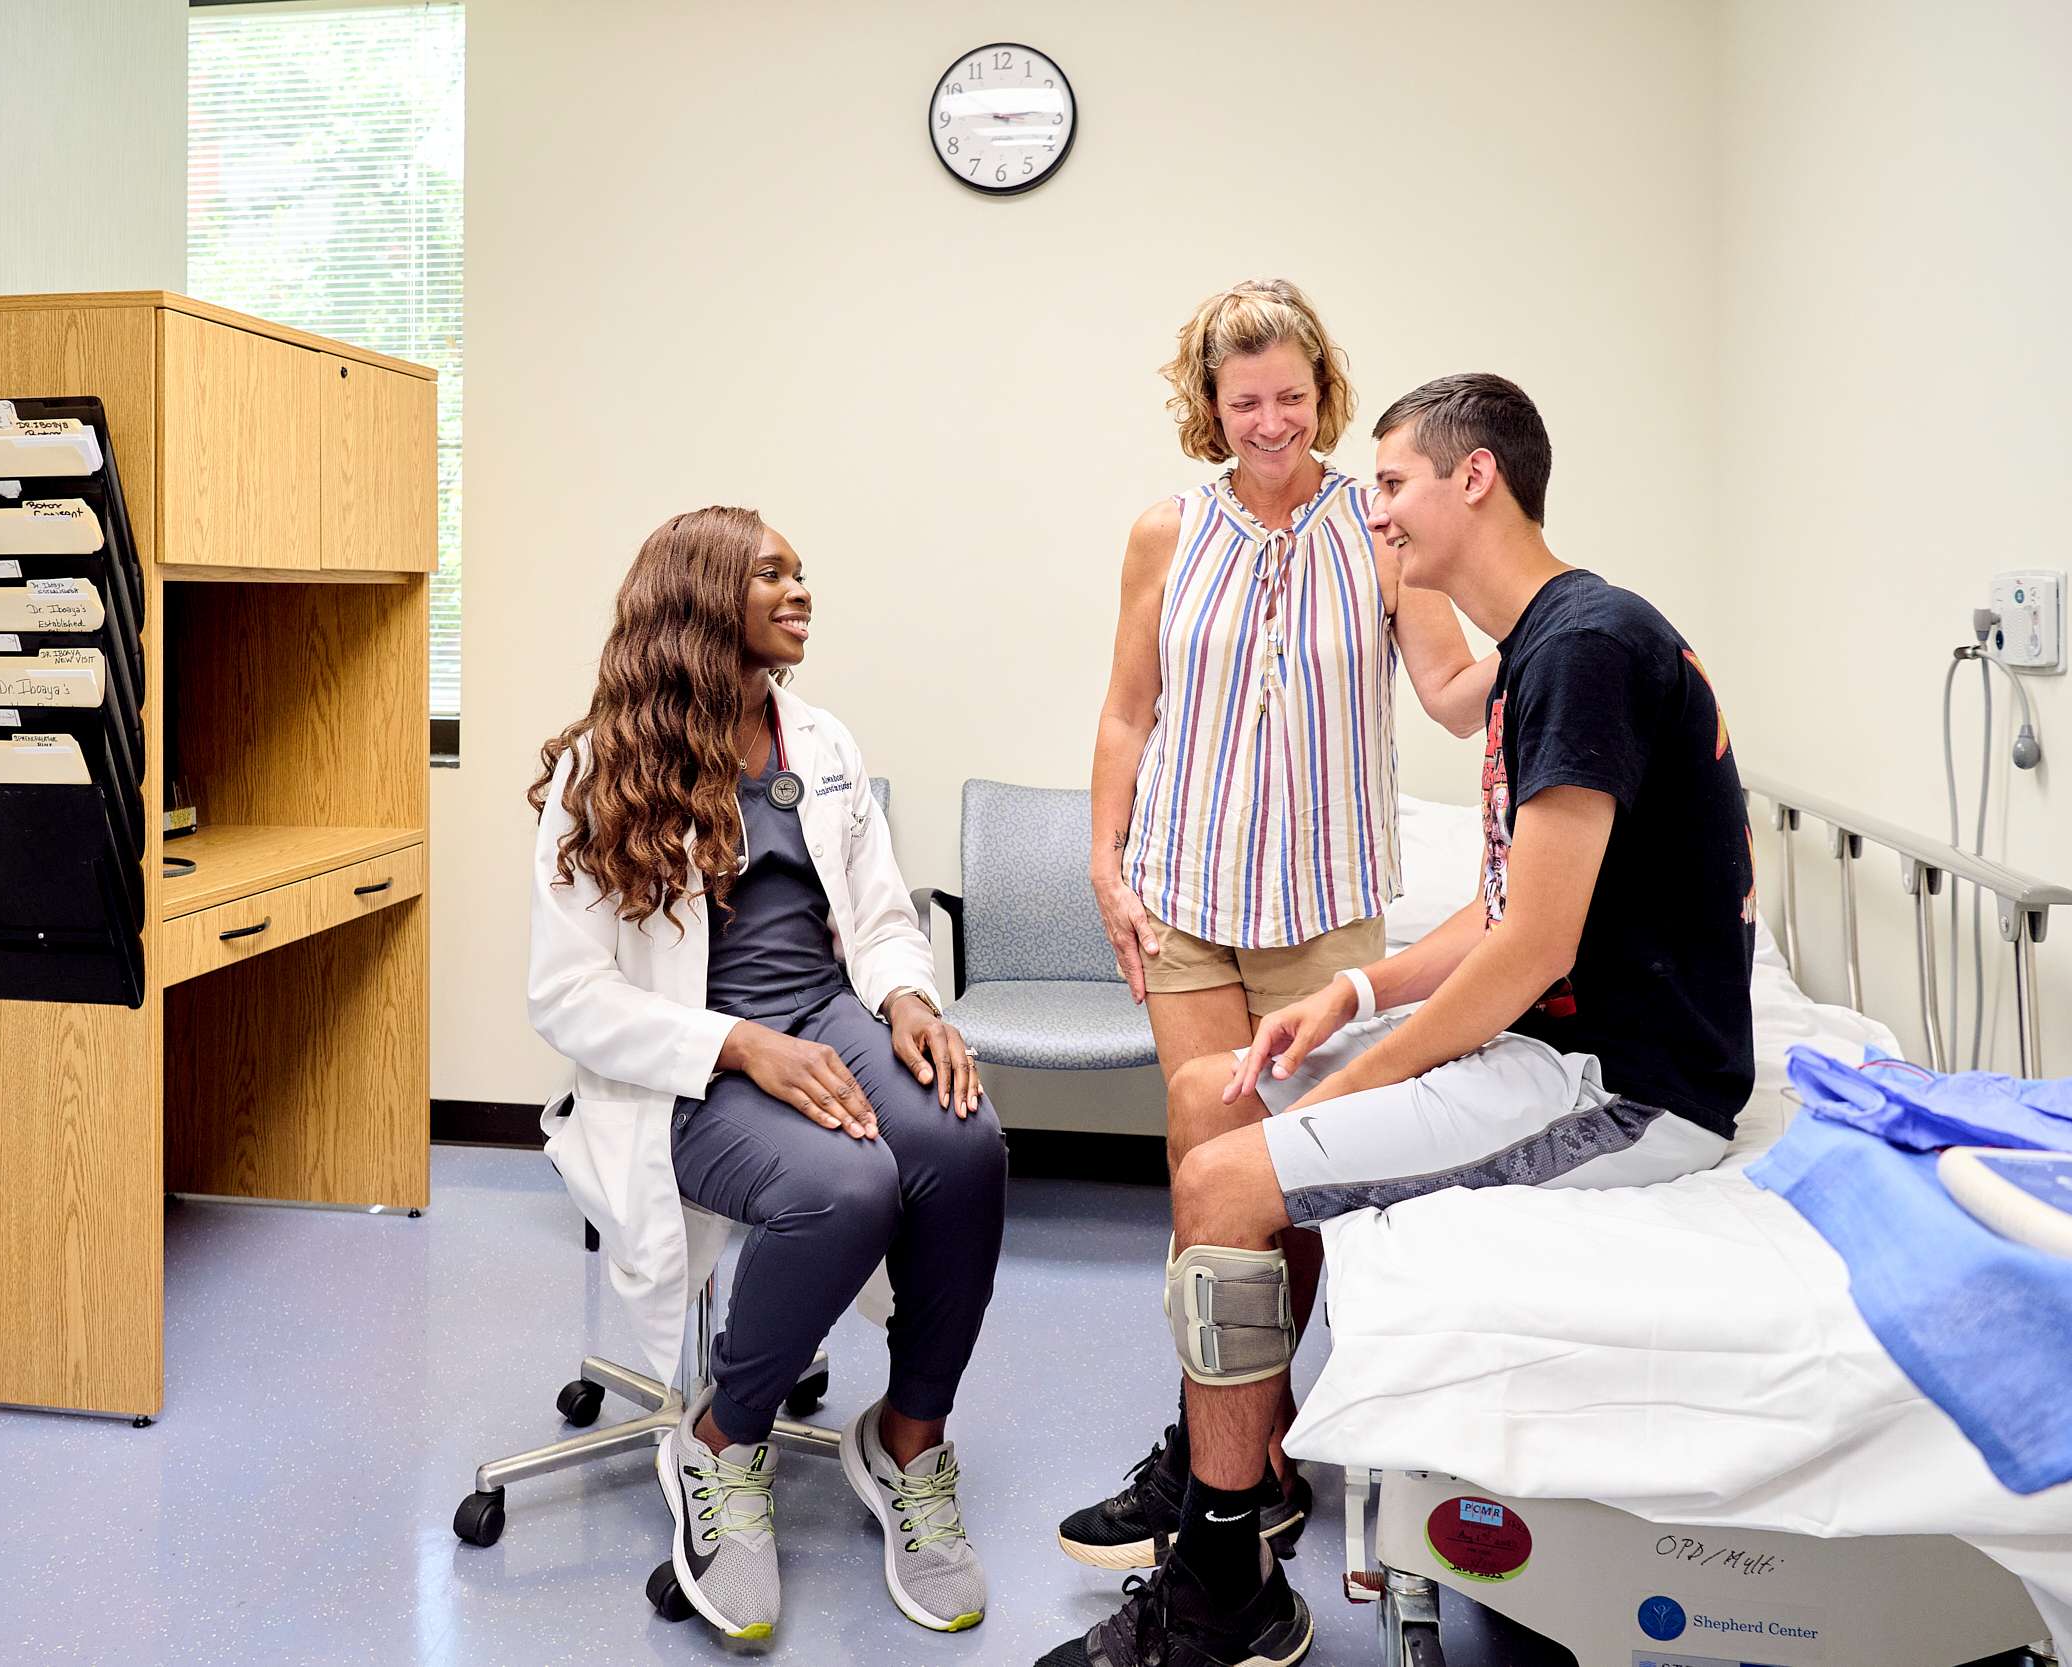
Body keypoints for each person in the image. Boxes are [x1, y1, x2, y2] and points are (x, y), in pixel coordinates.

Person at [1040, 374, 1757, 1667]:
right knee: (1226, 1140)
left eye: (1390, 483)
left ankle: (1225, 1582)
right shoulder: (1558, 641)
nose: (1371, 512)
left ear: (1473, 476)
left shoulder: (1582, 649)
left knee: (1224, 1176)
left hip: (1622, 1089)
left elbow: (1531, 946)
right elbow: (1505, 913)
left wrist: (1341, 1094)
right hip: (1564, 1051)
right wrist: (1357, 995)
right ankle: (1233, 1524)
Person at [1067, 279, 1495, 1572]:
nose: (1269, 421)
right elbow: (1128, 711)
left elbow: (1449, 686)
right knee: (1207, 1173)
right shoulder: (1164, 530)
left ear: (1326, 393)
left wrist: (1560, 634)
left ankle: (1234, 1454)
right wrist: (1105, 857)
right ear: (1208, 404)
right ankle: (1234, 1449)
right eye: (1243, 400)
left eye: (1292, 398)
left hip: (1319, 911)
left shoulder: (1379, 527)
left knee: (1289, 1184)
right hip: (1186, 898)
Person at [529, 506, 1007, 1644]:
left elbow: (881, 912)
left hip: (829, 1016)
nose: (801, 593)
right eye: (772, 576)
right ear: (700, 604)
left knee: (962, 1141)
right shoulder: (604, 768)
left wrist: (905, 999)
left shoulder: (821, 742)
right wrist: (737, 1045)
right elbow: (567, 995)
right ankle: (721, 1441)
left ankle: (906, 1441)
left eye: (801, 573)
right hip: (689, 1063)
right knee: (843, 1185)